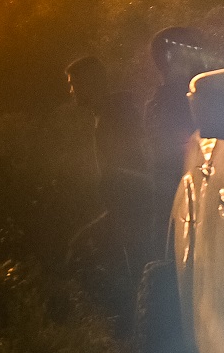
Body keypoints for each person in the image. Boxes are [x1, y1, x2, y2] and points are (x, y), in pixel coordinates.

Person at [65, 55, 148, 296]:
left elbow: (129, 165)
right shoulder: (111, 112)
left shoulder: (114, 116)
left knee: (135, 268)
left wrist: (120, 206)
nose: (72, 91)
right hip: (124, 207)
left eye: (74, 84)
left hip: (132, 207)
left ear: (89, 83)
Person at [140, 26, 207, 260]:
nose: (199, 55)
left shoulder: (198, 96)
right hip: (179, 208)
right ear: (168, 59)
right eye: (189, 49)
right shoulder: (167, 105)